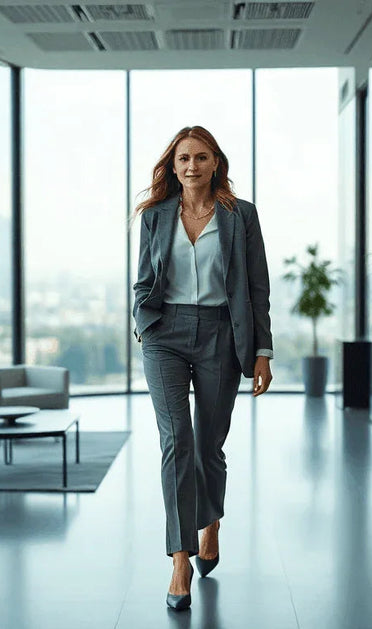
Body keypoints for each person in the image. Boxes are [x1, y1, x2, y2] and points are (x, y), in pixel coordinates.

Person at [131, 125, 273, 610]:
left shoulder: (241, 215)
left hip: (220, 334)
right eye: (183, 158)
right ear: (173, 167)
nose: (192, 166)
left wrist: (262, 350)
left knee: (209, 444)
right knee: (176, 441)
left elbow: (257, 287)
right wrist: (143, 323)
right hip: (164, 334)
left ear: (216, 163)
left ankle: (210, 522)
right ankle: (179, 558)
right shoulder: (155, 216)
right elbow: (144, 280)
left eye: (201, 157)